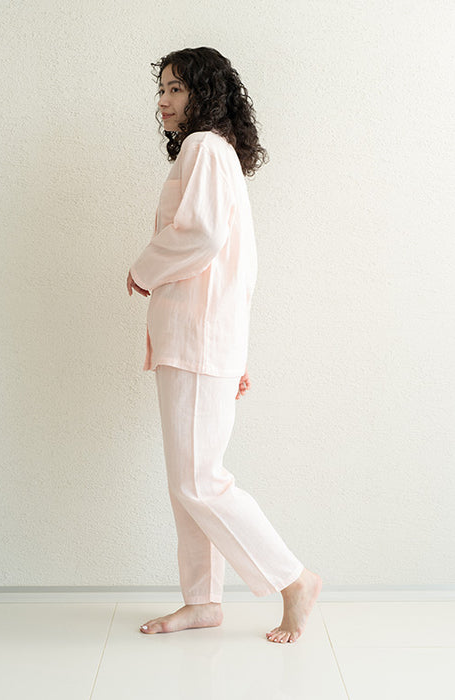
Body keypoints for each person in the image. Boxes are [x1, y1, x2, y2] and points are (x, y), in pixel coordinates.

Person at [127, 47, 322, 644]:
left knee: (198, 481)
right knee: (187, 481)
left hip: (197, 339)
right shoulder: (216, 153)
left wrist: (143, 269)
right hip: (198, 338)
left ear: (204, 95)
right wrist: (235, 351)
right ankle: (202, 601)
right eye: (162, 89)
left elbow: (204, 236)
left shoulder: (204, 148)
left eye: (177, 89)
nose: (164, 100)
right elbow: (239, 266)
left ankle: (293, 579)